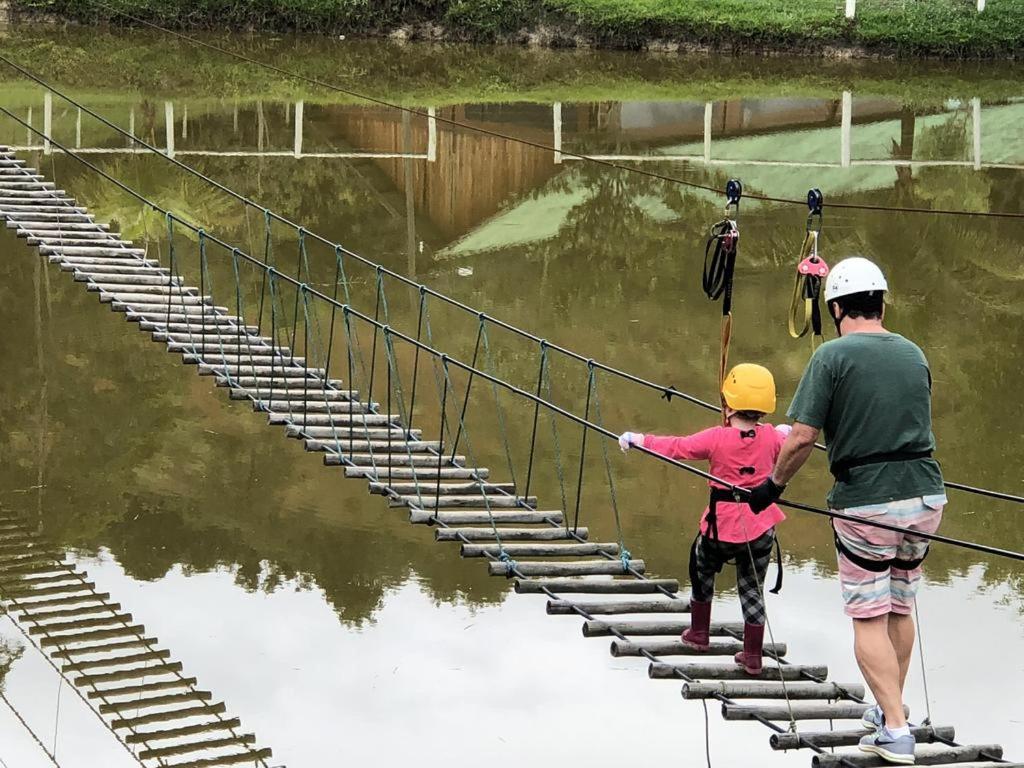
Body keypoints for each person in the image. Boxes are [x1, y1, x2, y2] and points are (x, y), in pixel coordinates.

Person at [748, 256, 945, 766]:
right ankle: (889, 711)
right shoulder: (914, 352)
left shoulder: (831, 357)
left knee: (868, 616)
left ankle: (896, 731)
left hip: (867, 503)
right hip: (926, 496)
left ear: (835, 308)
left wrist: (772, 486)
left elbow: (802, 438)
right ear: (883, 302)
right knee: (900, 604)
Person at [619, 363, 789, 676]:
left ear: (728, 404)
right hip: (761, 529)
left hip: (719, 529)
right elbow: (784, 441)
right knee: (752, 589)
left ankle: (699, 633)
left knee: (701, 568)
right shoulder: (772, 439)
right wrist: (782, 432)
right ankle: (753, 656)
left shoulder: (715, 438)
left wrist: (638, 439)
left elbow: (676, 447)